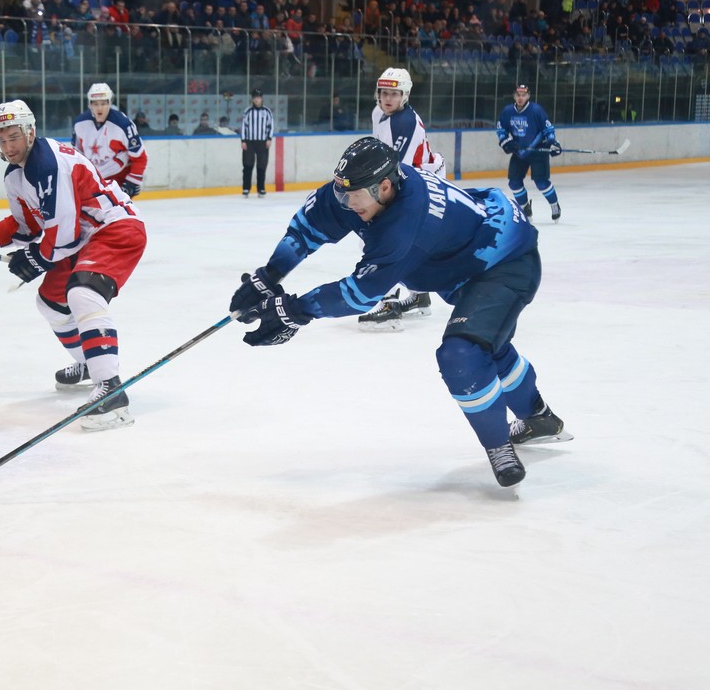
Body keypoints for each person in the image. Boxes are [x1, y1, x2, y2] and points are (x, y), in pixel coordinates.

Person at [228, 137, 571, 488]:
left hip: (507, 263)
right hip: (467, 259)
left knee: (462, 354)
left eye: (353, 198)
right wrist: (270, 276)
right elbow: (308, 227)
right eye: (341, 194)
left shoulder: (408, 223)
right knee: (490, 348)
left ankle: (499, 446)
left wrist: (295, 310)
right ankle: (539, 418)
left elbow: (361, 293)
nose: (346, 204)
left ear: (385, 187)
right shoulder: (358, 189)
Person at [0, 99, 147, 432]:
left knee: (82, 293)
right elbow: (28, 227)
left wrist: (35, 259)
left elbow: (62, 231)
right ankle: (87, 363)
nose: (8, 147)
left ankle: (112, 391)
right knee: (50, 302)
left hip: (115, 227)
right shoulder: (16, 176)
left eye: (13, 138)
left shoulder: (49, 161)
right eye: (1, 140)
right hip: (82, 239)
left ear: (30, 132)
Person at [359, 67, 447, 330]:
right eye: (384, 92)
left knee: (391, 237)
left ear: (405, 95)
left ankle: (390, 304)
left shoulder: (404, 123)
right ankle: (419, 295)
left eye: (394, 94)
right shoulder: (379, 113)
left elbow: (401, 173)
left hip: (424, 184)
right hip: (412, 177)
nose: (387, 98)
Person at [497, 83, 562, 222]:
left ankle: (554, 205)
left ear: (528, 96)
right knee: (514, 183)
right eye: (518, 95)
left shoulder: (536, 110)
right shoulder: (508, 111)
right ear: (514, 96)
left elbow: (548, 129)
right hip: (519, 152)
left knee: (541, 182)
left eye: (524, 95)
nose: (521, 98)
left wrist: (552, 142)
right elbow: (501, 130)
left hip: (538, 150)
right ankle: (525, 207)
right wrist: (507, 143)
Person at [69, 83, 148, 198]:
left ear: (110, 103)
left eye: (103, 103)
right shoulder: (79, 124)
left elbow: (140, 157)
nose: (99, 108)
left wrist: (133, 181)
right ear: (90, 104)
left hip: (117, 179)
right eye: (95, 104)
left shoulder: (123, 124)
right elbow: (76, 156)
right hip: (91, 180)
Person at [240, 88, 274, 197]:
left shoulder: (267, 111)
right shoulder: (248, 111)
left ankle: (261, 189)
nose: (256, 100)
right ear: (252, 99)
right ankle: (246, 188)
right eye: (254, 98)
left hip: (263, 142)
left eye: (258, 97)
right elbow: (243, 127)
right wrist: (243, 140)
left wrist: (269, 138)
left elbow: (271, 126)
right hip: (249, 142)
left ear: (261, 98)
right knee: (247, 165)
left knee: (262, 166)